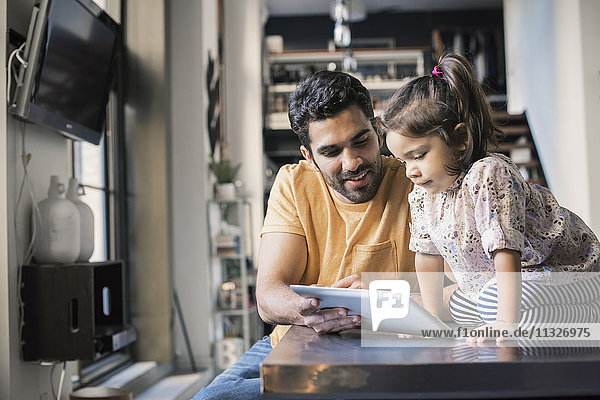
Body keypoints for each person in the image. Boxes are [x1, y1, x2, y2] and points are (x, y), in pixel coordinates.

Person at [193, 70, 415, 400]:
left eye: (361, 141)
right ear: (309, 157)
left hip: (391, 347)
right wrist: (308, 309)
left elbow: (461, 295)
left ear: (378, 131)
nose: (352, 162)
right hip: (295, 344)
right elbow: (268, 296)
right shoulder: (294, 184)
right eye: (331, 152)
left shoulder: (416, 180)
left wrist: (386, 303)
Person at [379, 53, 600, 344]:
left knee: (496, 302)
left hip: (572, 273)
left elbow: (505, 252)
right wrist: (432, 321)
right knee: (459, 303)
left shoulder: (488, 175)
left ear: (460, 139)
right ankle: (505, 314)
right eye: (403, 161)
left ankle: (591, 312)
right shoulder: (423, 194)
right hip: (499, 287)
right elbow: (427, 256)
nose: (411, 171)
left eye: (418, 156)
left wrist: (504, 323)